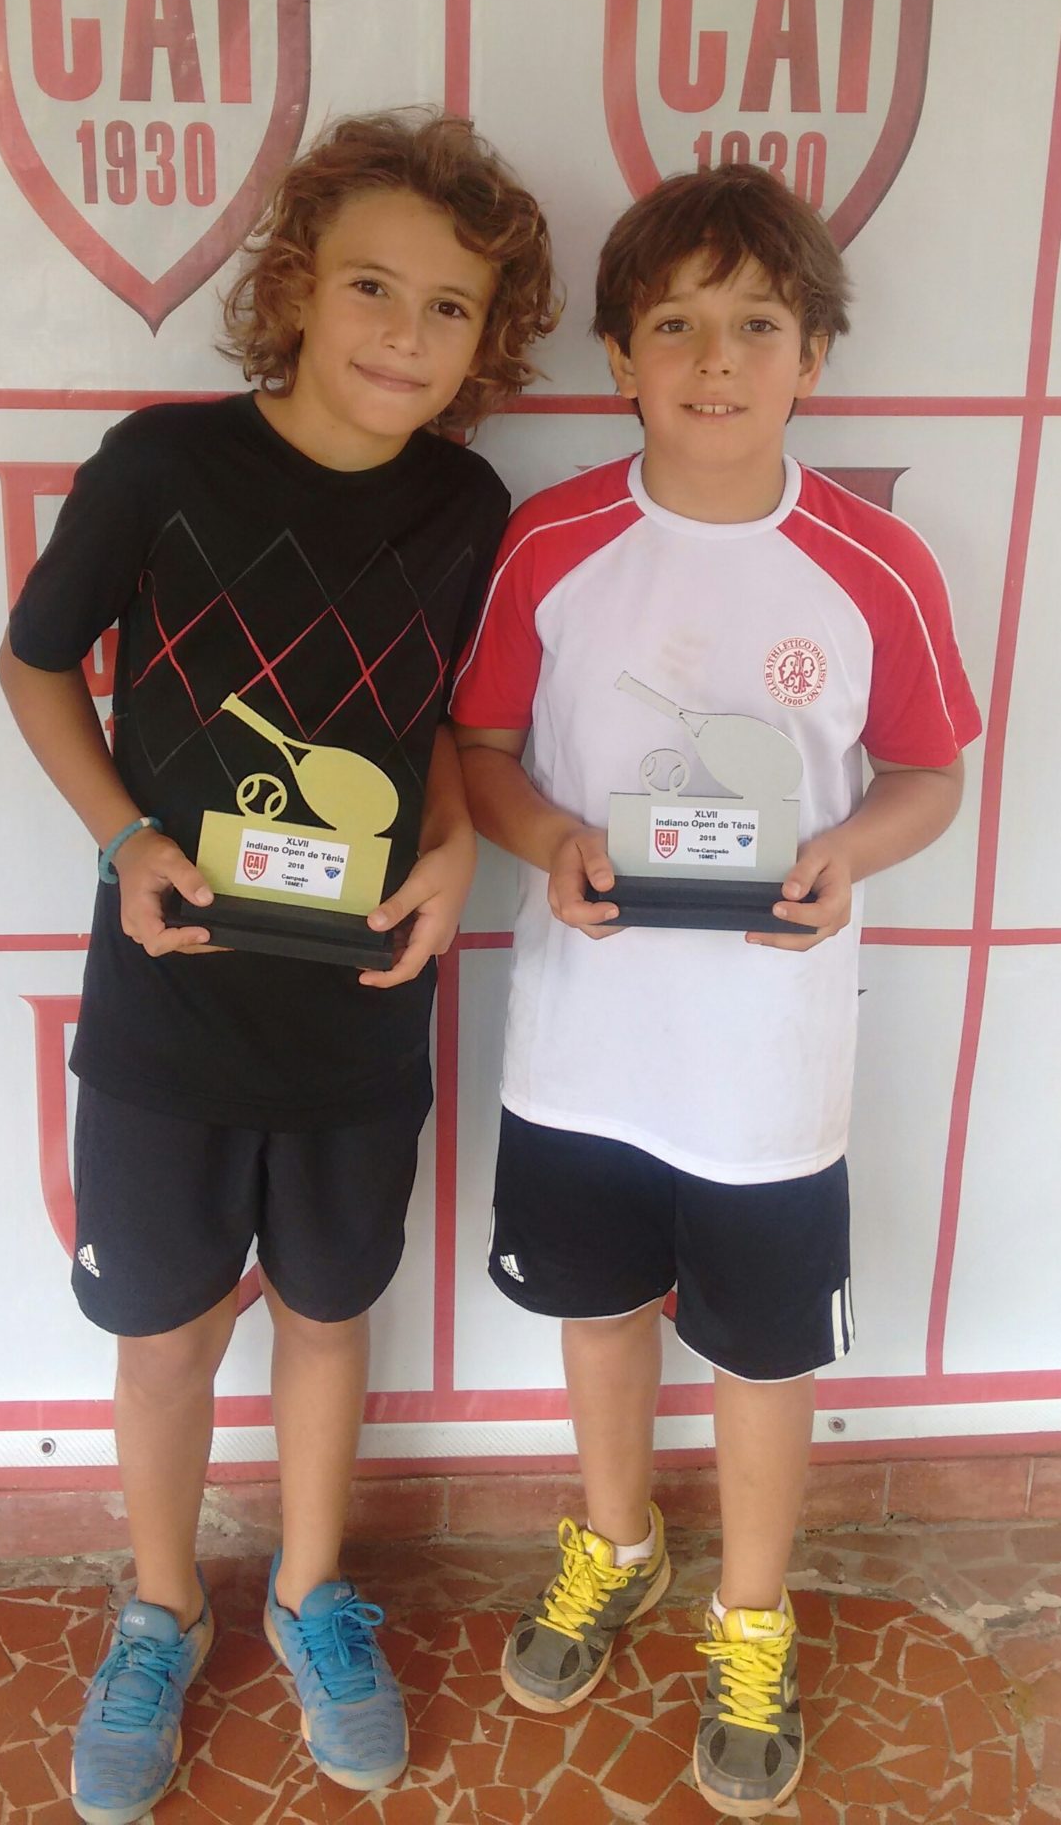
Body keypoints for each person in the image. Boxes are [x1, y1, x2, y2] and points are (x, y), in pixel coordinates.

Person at [0, 109, 556, 1823]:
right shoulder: (159, 465)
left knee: (326, 1314)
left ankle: (314, 1592)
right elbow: (35, 665)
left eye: (449, 307)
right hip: (168, 999)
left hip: (359, 1007)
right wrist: (124, 838)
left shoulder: (468, 504)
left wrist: (456, 851)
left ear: (488, 339)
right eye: (372, 285)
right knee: (166, 1336)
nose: (404, 332)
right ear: (297, 285)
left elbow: (449, 727)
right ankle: (160, 1609)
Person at [451, 161, 980, 1819]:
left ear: (811, 357)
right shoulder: (551, 542)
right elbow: (479, 748)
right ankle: (614, 1540)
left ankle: (750, 1616)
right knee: (599, 1311)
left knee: (758, 1353)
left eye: (756, 324)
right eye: (674, 324)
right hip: (582, 1041)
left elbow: (927, 774)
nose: (714, 359)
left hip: (764, 1060)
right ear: (618, 356)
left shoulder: (873, 562)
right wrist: (545, 840)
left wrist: (846, 856)